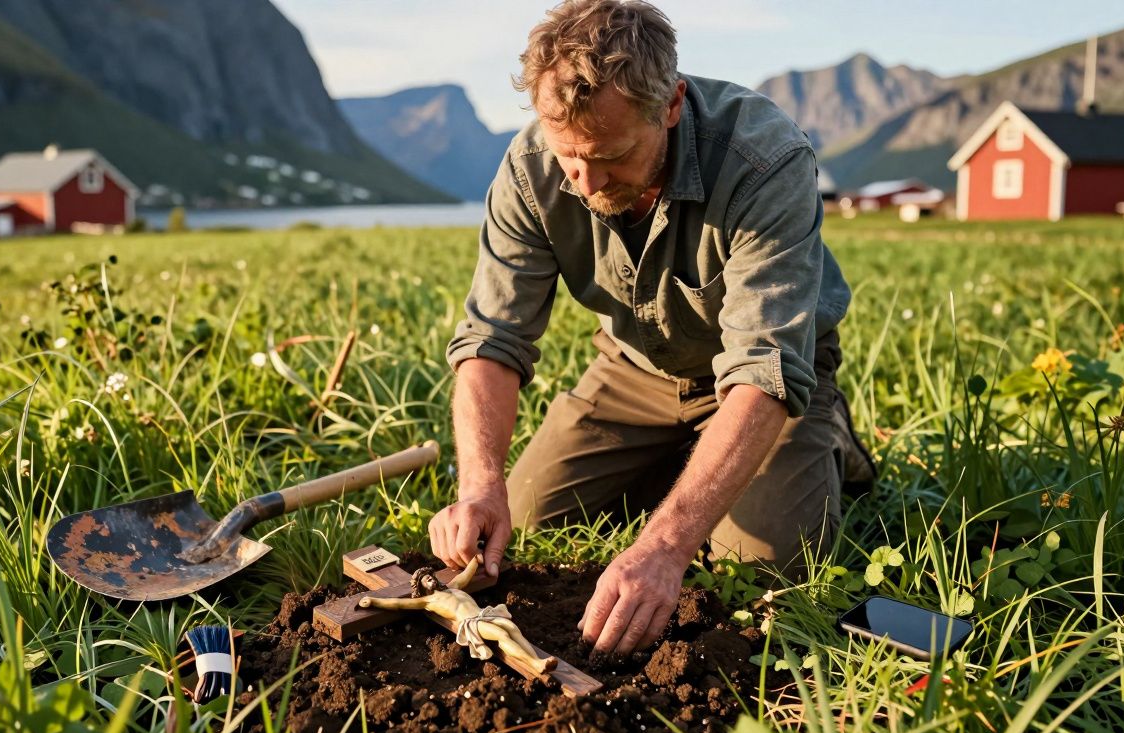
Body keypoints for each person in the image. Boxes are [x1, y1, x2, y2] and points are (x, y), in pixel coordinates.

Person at [430, 0, 876, 657]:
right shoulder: (532, 170)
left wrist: (665, 546)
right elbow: (493, 339)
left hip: (759, 386)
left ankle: (825, 439)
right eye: (569, 156)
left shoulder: (763, 161)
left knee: (761, 575)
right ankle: (683, 464)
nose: (586, 181)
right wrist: (479, 484)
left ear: (670, 104)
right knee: (518, 521)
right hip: (634, 370)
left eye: (610, 155)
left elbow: (764, 370)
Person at [357, 556, 558, 674]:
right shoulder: (427, 602)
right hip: (471, 623)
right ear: (421, 587)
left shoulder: (452, 587)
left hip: (483, 613)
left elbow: (465, 575)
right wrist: (374, 601)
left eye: (430, 576)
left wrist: (475, 559)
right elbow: (399, 603)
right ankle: (534, 663)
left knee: (513, 629)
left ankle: (537, 661)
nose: (430, 579)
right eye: (426, 580)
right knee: (502, 635)